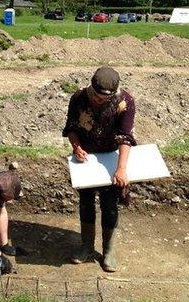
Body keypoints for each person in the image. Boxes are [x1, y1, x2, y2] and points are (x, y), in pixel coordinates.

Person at [62, 66, 137, 272]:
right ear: (91, 88)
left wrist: (121, 169)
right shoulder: (78, 98)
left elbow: (125, 137)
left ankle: (108, 251)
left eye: (104, 99)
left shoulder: (125, 102)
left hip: (110, 159)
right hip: (86, 161)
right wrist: (76, 147)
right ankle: (86, 246)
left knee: (109, 204)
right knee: (86, 202)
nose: (98, 101)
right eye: (96, 96)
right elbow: (72, 127)